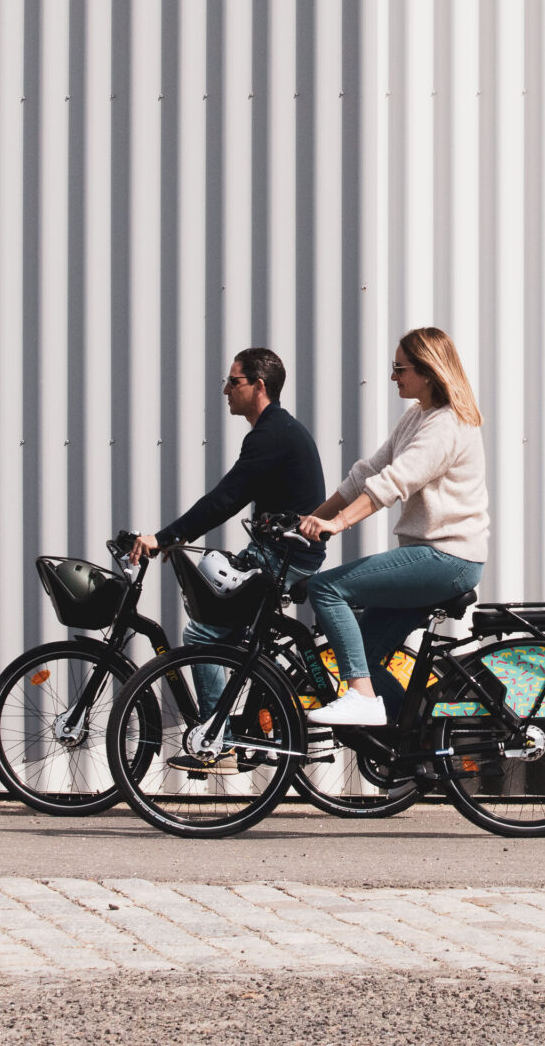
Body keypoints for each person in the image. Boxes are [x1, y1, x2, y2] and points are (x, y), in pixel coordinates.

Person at [131, 347, 325, 767]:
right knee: (226, 629)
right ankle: (244, 720)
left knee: (202, 636)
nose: (225, 390)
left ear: (259, 386)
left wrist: (165, 538)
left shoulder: (271, 434)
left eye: (233, 382)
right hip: (279, 553)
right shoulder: (276, 431)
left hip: (281, 558)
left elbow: (225, 498)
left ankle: (218, 736)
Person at [298, 327, 488, 728]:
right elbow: (367, 473)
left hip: (447, 557)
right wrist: (310, 518)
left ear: (429, 371)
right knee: (359, 658)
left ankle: (363, 700)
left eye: (399, 369)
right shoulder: (417, 416)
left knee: (325, 587)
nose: (392, 377)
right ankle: (415, 742)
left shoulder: (446, 424)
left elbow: (393, 482)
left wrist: (337, 524)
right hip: (428, 556)